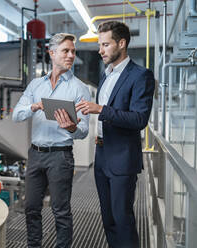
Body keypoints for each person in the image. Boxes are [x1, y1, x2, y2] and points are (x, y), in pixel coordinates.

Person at [76, 21, 155, 248]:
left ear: (121, 43)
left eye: (106, 45)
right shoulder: (106, 75)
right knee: (108, 219)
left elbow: (139, 119)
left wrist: (100, 109)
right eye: (100, 45)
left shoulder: (140, 76)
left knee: (123, 219)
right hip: (101, 154)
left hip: (122, 157)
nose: (100, 50)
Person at [12, 33, 90, 248]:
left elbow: (83, 130)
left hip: (61, 156)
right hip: (36, 154)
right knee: (31, 207)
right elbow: (16, 114)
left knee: (61, 211)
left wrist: (73, 127)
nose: (71, 55)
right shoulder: (36, 85)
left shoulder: (79, 88)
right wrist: (34, 106)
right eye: (66, 51)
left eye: (73, 51)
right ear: (52, 52)